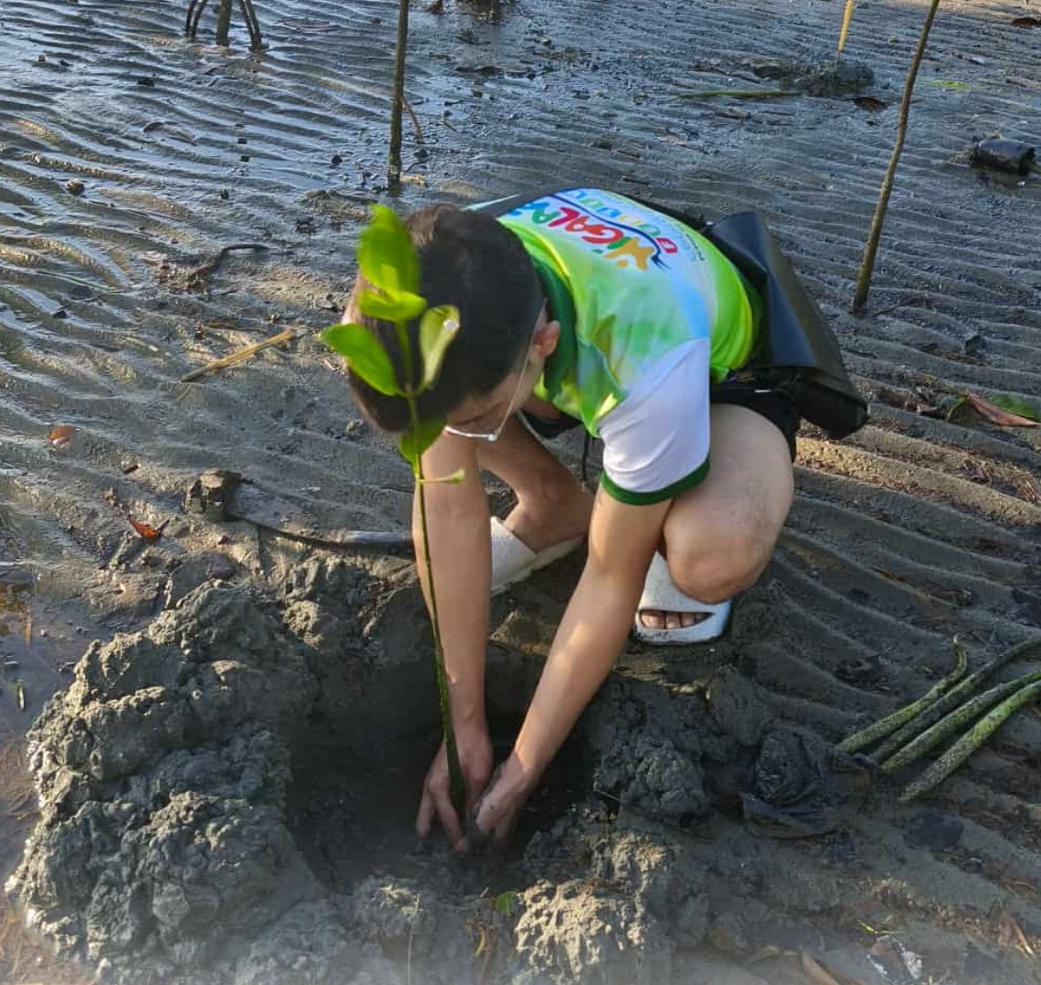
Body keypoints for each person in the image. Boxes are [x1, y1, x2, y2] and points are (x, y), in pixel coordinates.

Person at [342, 187, 857, 851]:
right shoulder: (442, 308)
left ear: (544, 341)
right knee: (454, 409)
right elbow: (447, 510)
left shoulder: (648, 362)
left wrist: (523, 770)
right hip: (577, 326)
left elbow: (611, 578)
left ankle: (676, 493)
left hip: (721, 373)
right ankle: (557, 507)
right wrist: (461, 722)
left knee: (707, 556)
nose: (449, 437)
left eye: (468, 422)